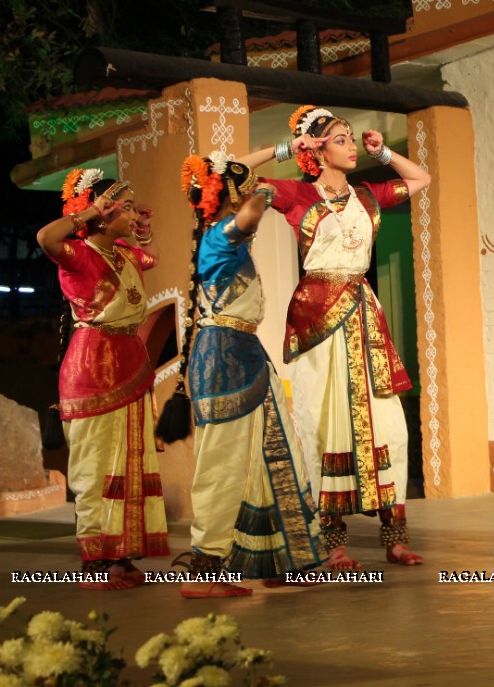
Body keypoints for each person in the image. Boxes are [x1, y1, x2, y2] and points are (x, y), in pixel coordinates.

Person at [239, 105, 431, 568]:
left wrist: (383, 152)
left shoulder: (368, 195)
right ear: (317, 150)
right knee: (323, 419)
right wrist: (286, 149)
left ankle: (395, 537)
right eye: (340, 139)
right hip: (317, 317)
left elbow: (421, 180)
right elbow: (233, 175)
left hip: (363, 313)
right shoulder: (295, 195)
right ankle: (332, 540)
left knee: (385, 421)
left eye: (350, 137)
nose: (350, 145)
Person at [167, 152, 325, 597]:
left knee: (270, 455)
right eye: (241, 193)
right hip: (223, 362)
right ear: (227, 201)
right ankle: (206, 565)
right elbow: (251, 215)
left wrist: (283, 150)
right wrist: (268, 191)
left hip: (245, 353)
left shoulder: (219, 238)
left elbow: (237, 183)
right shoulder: (219, 237)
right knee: (223, 464)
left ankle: (271, 556)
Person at [36, 169, 169, 588]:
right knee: (94, 468)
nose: (132, 214)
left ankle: (123, 557)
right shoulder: (79, 254)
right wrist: (90, 211)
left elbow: (155, 254)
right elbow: (46, 239)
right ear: (100, 211)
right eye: (125, 206)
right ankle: (93, 560)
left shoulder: (126, 255)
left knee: (131, 463)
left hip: (129, 361)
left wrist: (141, 229)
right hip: (92, 367)